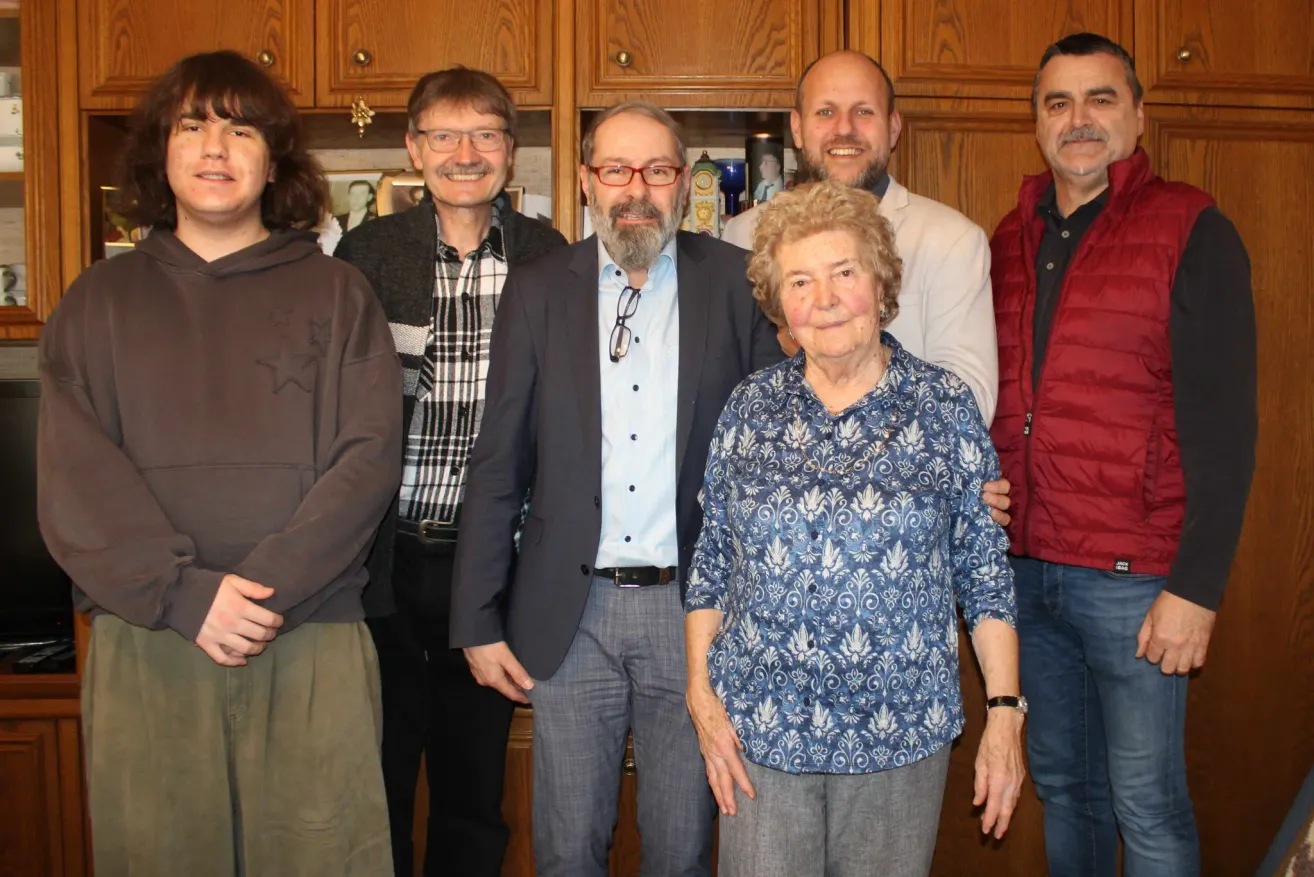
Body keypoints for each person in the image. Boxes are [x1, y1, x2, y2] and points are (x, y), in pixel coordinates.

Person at [36, 51, 401, 877]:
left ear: (273, 160)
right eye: (192, 125)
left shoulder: (340, 293)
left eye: (241, 129)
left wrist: (263, 591)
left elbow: (369, 458)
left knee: (325, 859)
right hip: (149, 637)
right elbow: (74, 480)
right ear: (158, 154)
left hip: (310, 634)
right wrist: (186, 594)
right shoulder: (96, 302)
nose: (215, 146)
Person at [450, 101, 784, 876]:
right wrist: (475, 618)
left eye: (658, 170)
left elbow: (775, 457)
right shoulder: (537, 292)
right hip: (569, 618)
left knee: (682, 849)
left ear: (684, 180)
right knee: (566, 850)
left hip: (696, 614)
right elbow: (498, 461)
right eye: (616, 170)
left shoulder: (737, 284)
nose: (637, 189)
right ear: (585, 181)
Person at [686, 179, 1025, 877]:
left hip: (898, 735)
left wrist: (1004, 714)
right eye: (801, 281)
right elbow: (713, 560)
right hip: (761, 734)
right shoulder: (750, 409)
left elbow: (986, 576)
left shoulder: (942, 406)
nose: (826, 297)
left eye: (845, 272)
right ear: (781, 305)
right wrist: (700, 691)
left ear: (880, 282)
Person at [990, 33, 1257, 877]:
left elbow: (1226, 424)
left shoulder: (1192, 227)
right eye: (1059, 103)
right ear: (1037, 122)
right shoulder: (1006, 239)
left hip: (1137, 579)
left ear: (1138, 116)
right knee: (1068, 790)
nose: (1080, 120)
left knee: (1148, 803)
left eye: (1101, 99)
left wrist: (1196, 587)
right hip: (1027, 571)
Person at [334, 67, 566, 877]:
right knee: (379, 781)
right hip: (381, 564)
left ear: (512, 151)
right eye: (443, 135)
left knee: (473, 793)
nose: (465, 153)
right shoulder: (366, 253)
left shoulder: (550, 257)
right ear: (412, 148)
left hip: (494, 567)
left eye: (486, 135)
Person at [723, 51, 998, 425]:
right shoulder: (743, 234)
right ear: (798, 129)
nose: (845, 128)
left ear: (894, 127)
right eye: (825, 112)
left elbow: (970, 404)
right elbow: (731, 389)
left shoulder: (952, 241)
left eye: (864, 111)